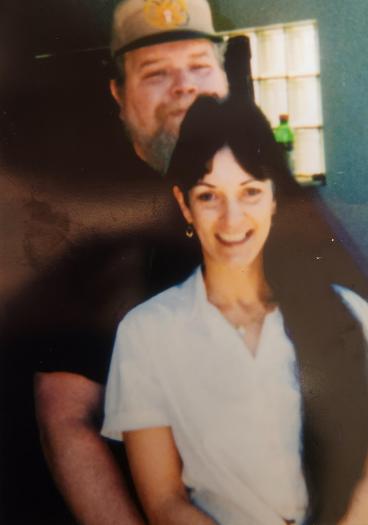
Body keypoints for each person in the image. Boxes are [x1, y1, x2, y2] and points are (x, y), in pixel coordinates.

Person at [102, 96, 368, 525]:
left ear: (275, 198)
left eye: (251, 192)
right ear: (184, 205)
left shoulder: (347, 312)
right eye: (209, 196)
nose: (232, 219)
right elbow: (164, 502)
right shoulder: (146, 333)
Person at [33, 1, 228, 523]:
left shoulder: (268, 200)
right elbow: (66, 416)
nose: (184, 87)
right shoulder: (90, 226)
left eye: (199, 66)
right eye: (157, 73)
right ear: (119, 94)